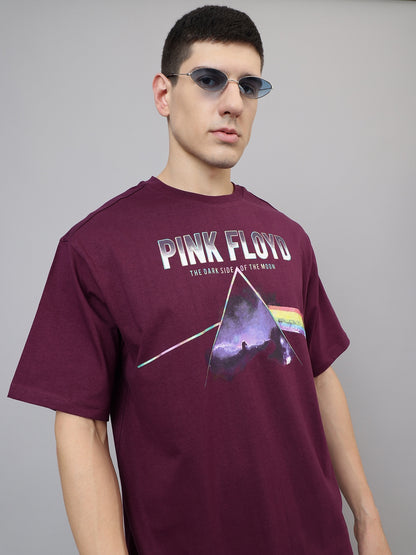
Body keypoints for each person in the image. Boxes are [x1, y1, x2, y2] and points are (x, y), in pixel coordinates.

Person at [8, 5, 391, 554]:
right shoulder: (95, 248)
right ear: (164, 94)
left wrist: (368, 521)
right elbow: (80, 428)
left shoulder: (288, 236)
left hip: (316, 539)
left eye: (249, 86)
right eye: (210, 79)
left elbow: (320, 378)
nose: (233, 102)